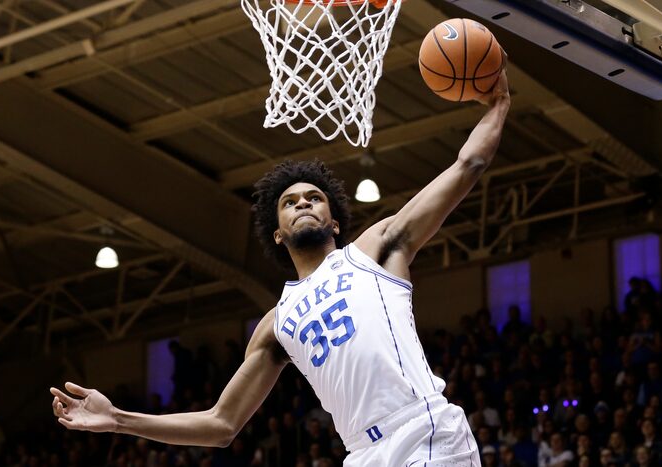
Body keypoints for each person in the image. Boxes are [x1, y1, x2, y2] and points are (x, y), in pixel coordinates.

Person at [49, 70, 511, 465]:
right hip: (362, 454)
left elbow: (467, 165)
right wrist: (119, 420)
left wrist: (499, 104)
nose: (303, 203)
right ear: (277, 231)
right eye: (290, 202)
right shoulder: (276, 324)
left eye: (314, 198)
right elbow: (221, 423)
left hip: (422, 429)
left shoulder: (374, 250)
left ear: (334, 221)